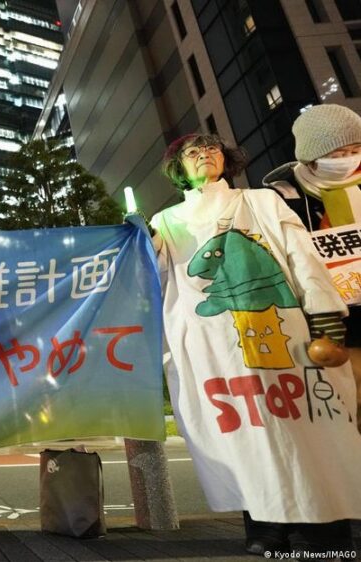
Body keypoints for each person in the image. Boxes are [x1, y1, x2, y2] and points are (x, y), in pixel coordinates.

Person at [152, 133, 361, 556]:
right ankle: (266, 526)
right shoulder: (166, 220)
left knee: (309, 428)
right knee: (248, 436)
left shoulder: (262, 202)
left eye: (211, 148)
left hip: (288, 335)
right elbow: (152, 279)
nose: (204, 155)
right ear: (179, 169)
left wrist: (322, 309)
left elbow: (302, 254)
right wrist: (139, 240)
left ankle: (327, 529)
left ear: (226, 160)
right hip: (215, 351)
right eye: (193, 152)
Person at [262, 103, 361, 406]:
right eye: (335, 155)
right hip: (334, 323)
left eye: (355, 149)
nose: (347, 159)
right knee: (350, 403)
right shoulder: (283, 197)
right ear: (309, 157)